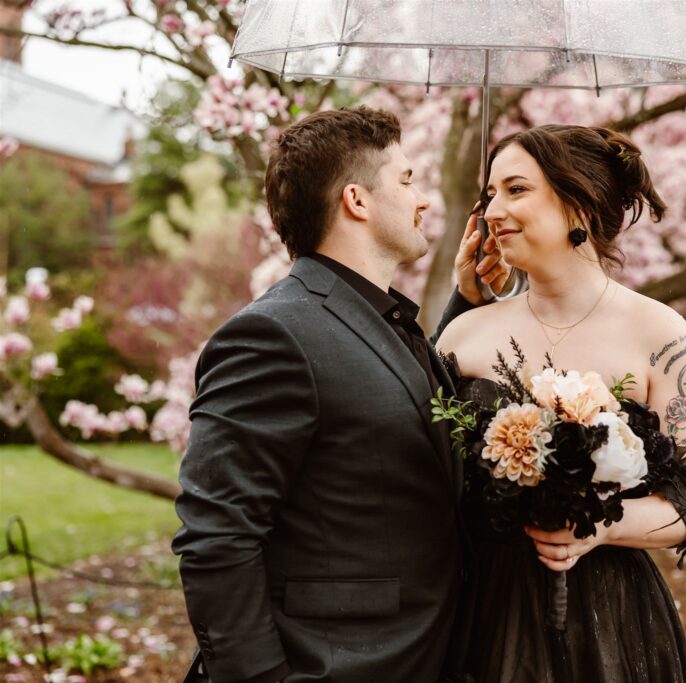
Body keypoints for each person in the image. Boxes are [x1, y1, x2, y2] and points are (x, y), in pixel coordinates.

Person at [172, 106, 506, 683]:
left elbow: (400, 406)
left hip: (425, 653)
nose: (423, 199)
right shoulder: (272, 335)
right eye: (406, 180)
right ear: (358, 200)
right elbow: (217, 537)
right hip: (334, 663)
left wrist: (467, 306)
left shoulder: (374, 316)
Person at [437, 124, 686, 682]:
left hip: (609, 622)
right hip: (481, 616)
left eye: (516, 190)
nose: (493, 210)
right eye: (490, 193)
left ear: (579, 205)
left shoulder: (661, 336)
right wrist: (460, 299)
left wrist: (599, 529)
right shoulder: (462, 335)